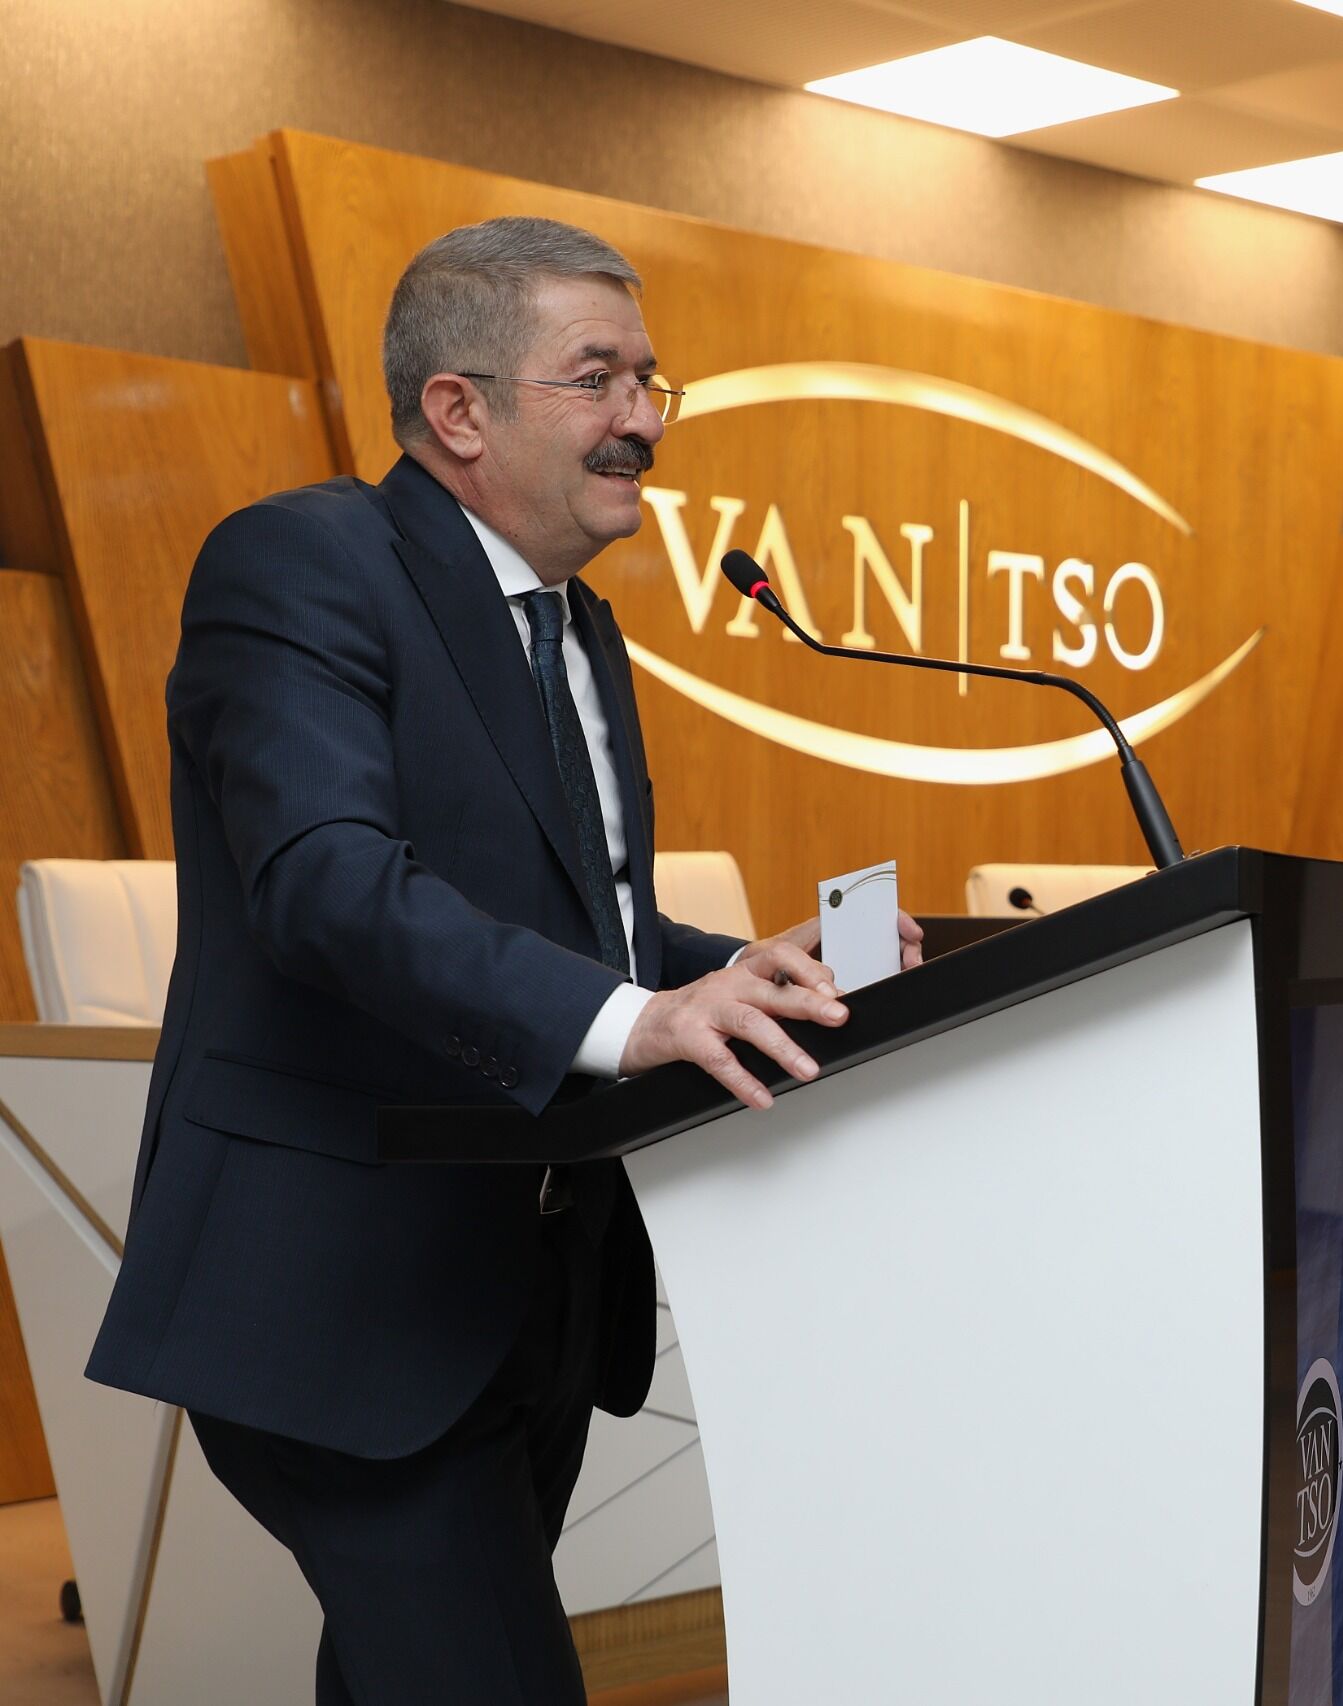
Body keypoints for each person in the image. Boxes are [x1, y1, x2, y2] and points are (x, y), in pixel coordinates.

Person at [84, 216, 917, 1704]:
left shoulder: (580, 629)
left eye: (652, 380)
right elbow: (327, 886)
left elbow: (584, 925)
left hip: (529, 1291)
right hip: (342, 1298)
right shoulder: (301, 562)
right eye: (598, 379)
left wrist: (742, 965)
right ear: (458, 410)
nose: (644, 419)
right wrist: (634, 1015)